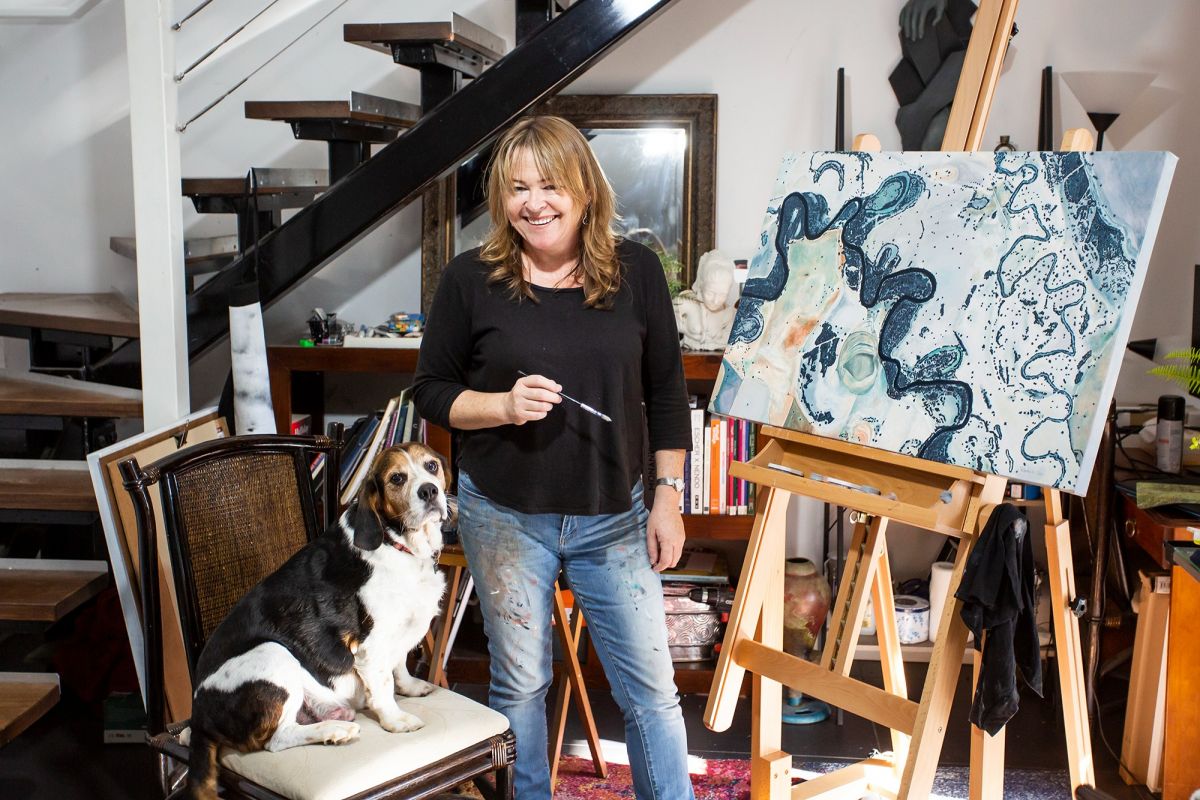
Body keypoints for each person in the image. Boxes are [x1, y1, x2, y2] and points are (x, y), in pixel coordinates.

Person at [413, 115, 696, 800]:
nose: (533, 203)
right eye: (517, 188)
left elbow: (665, 392)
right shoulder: (468, 279)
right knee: (519, 685)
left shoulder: (637, 272)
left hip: (615, 516)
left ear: (584, 189)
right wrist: (503, 406)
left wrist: (666, 495)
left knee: (652, 692)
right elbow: (432, 392)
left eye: (549, 185)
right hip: (506, 515)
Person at [673, 249, 738, 350]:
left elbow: (732, 344)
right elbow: (662, 324)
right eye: (710, 293)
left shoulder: (731, 315)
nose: (716, 301)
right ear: (702, 285)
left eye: (722, 295)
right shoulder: (686, 302)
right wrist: (685, 330)